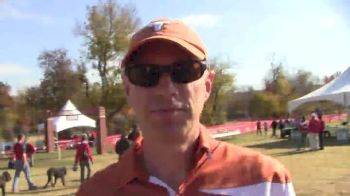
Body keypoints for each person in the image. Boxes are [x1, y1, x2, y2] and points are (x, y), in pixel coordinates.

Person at [77, 18, 295, 195]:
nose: (166, 89)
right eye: (145, 74)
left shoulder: (267, 181)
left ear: (208, 85)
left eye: (184, 71)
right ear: (127, 90)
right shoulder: (95, 191)